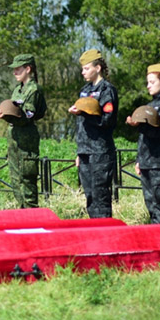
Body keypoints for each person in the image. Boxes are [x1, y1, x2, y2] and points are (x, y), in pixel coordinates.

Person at [126, 63, 160, 224]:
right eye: (147, 82)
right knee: (152, 208)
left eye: (152, 82)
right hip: (148, 163)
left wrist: (139, 126)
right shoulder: (150, 106)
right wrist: (139, 160)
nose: (148, 86)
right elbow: (144, 140)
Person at [69, 49, 118, 219]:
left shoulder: (107, 91)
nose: (83, 72)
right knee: (90, 196)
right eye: (82, 69)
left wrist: (84, 114)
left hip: (100, 152)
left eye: (86, 68)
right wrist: (79, 152)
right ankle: (96, 232)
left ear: (98, 68)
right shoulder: (84, 91)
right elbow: (81, 127)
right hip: (85, 151)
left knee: (100, 196)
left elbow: (107, 121)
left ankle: (106, 236)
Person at [0, 54, 46, 209]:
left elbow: (27, 116)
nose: (14, 72)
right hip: (15, 140)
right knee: (16, 180)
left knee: (27, 180)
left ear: (28, 68)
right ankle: (23, 216)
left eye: (18, 69)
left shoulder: (33, 90)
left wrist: (7, 117)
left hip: (26, 141)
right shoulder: (18, 89)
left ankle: (33, 218)